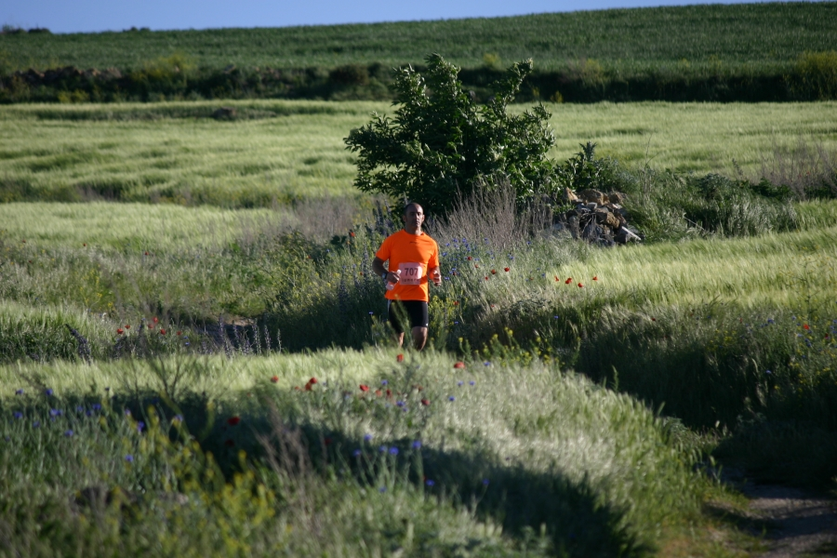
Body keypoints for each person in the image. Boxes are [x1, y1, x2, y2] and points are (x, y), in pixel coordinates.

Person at [372, 202, 442, 350]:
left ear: (423, 218)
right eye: (412, 214)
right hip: (397, 295)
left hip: (419, 295)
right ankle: (395, 364)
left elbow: (433, 267)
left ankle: (411, 362)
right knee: (396, 339)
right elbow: (376, 263)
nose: (416, 217)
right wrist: (386, 275)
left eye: (419, 214)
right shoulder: (393, 240)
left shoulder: (431, 243)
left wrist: (435, 275)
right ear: (404, 218)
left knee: (421, 334)